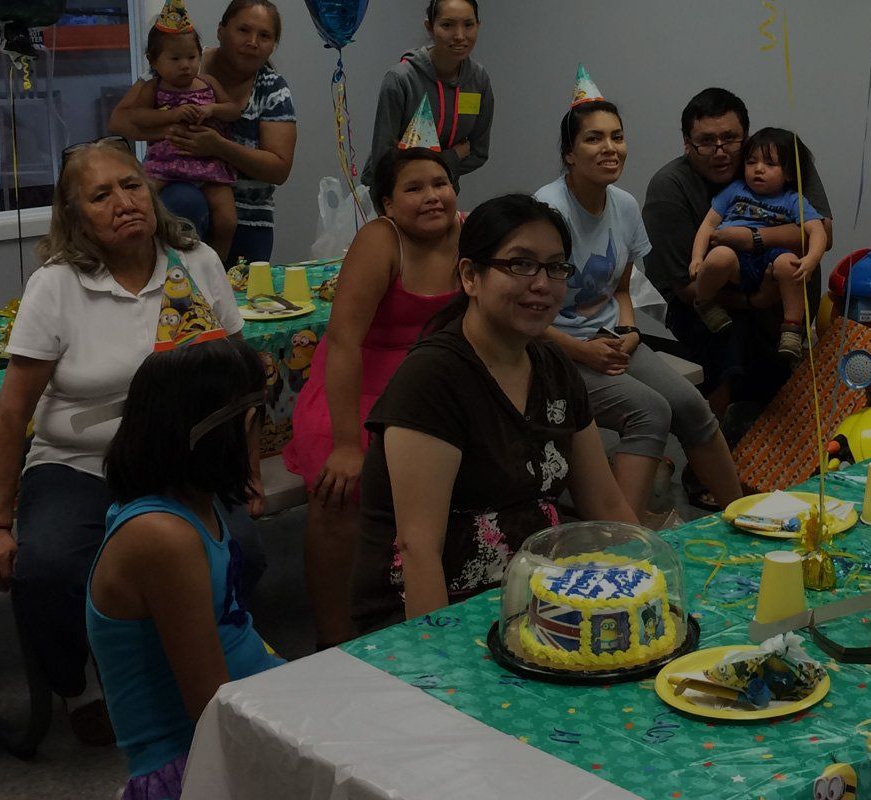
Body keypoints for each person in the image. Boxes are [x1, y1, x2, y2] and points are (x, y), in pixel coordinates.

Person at [0, 137, 266, 745]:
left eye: (131, 185)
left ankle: (194, 662)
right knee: (47, 569)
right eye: (101, 195)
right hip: (79, 462)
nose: (123, 201)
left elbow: (240, 381)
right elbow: (11, 410)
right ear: (76, 216)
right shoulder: (57, 284)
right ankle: (80, 685)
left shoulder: (197, 260)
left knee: (248, 554)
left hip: (186, 464)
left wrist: (248, 472)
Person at [349, 194, 639, 631]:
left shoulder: (553, 367)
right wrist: (437, 662)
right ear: (470, 276)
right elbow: (417, 548)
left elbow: (605, 502)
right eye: (520, 264)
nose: (541, 283)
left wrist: (651, 585)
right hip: (433, 613)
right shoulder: (433, 378)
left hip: (532, 601)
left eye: (556, 266)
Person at [533, 77, 746, 520]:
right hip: (551, 349)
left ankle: (743, 516)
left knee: (691, 406)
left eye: (617, 136)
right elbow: (527, 316)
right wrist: (583, 351)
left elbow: (621, 288)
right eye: (594, 138)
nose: (610, 147)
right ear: (569, 153)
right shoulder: (547, 212)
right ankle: (620, 541)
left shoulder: (624, 205)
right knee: (649, 411)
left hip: (611, 338)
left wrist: (629, 330)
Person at [88, 338, 285, 800]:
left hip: (238, 722)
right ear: (238, 428)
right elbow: (209, 706)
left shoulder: (196, 504)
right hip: (196, 764)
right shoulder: (163, 537)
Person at [283, 146, 460, 648]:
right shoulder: (379, 241)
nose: (431, 197)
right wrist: (345, 444)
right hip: (354, 386)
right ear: (386, 203)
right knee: (339, 490)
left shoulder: (468, 235)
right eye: (414, 188)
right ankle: (333, 638)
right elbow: (341, 343)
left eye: (440, 184)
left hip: (430, 387)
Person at [642, 88, 834, 418]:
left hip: (770, 275)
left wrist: (752, 239)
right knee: (727, 345)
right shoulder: (669, 189)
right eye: (706, 141)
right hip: (701, 295)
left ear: (745, 136)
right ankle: (713, 445)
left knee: (775, 381)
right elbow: (687, 289)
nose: (720, 151)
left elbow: (823, 234)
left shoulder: (782, 159)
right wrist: (754, 300)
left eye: (730, 139)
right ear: (687, 144)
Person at [109, 0, 296, 265]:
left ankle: (214, 273)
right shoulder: (178, 60)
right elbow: (120, 120)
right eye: (243, 30)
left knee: (238, 298)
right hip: (176, 196)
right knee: (177, 201)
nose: (252, 42)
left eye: (264, 35)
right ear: (221, 30)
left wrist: (218, 146)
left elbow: (279, 168)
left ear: (273, 44)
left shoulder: (272, 89)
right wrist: (171, 128)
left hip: (247, 218)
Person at [688, 127, 828, 360]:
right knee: (719, 256)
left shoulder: (794, 200)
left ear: (790, 174)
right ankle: (704, 302)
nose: (758, 169)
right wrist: (697, 257)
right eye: (751, 162)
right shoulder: (734, 191)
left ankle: (792, 328)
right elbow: (708, 226)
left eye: (770, 164)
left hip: (769, 256)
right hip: (733, 255)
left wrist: (811, 260)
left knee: (789, 263)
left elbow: (818, 231)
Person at [123, 1, 241, 262]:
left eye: (191, 57)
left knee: (227, 220)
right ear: (153, 61)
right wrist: (172, 114)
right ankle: (144, 259)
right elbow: (136, 116)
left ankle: (217, 269)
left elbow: (233, 110)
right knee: (142, 206)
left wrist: (212, 109)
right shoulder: (153, 87)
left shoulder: (207, 82)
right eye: (175, 59)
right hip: (168, 163)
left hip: (209, 164)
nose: (185, 65)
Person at [362, 0, 493, 188]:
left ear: (478, 26)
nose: (459, 35)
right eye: (447, 25)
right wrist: (453, 156)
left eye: (468, 25)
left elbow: (478, 152)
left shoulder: (479, 80)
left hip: (443, 194)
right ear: (429, 27)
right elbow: (384, 159)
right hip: (393, 193)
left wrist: (413, 158)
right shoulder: (401, 79)